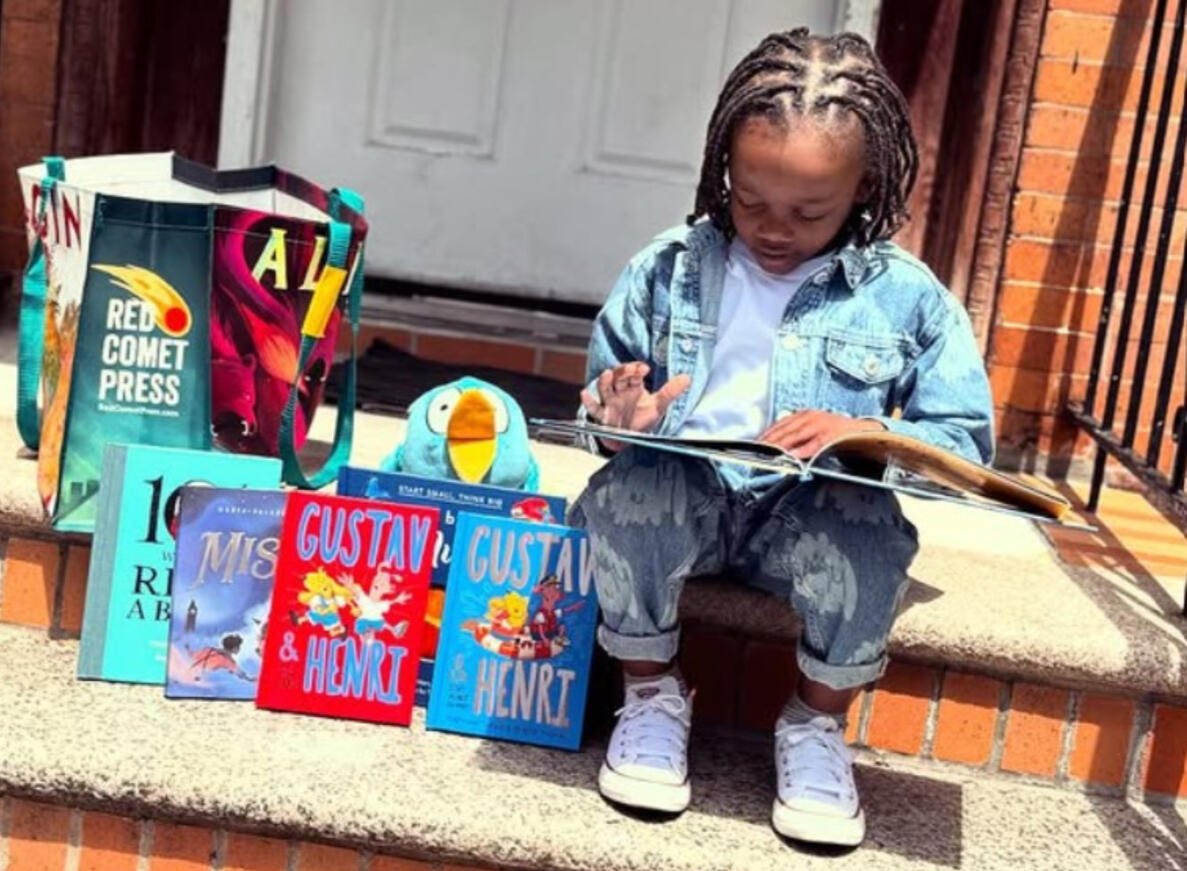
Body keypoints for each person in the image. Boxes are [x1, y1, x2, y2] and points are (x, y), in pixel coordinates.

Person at [569, 28, 993, 848]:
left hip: (805, 517)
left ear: (864, 187)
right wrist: (620, 425)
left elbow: (962, 446)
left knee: (869, 532)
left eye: (808, 212)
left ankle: (814, 722)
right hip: (689, 505)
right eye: (749, 199)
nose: (772, 228)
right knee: (626, 494)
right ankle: (651, 693)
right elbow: (601, 406)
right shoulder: (666, 268)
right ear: (722, 169)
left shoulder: (905, 297)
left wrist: (868, 432)